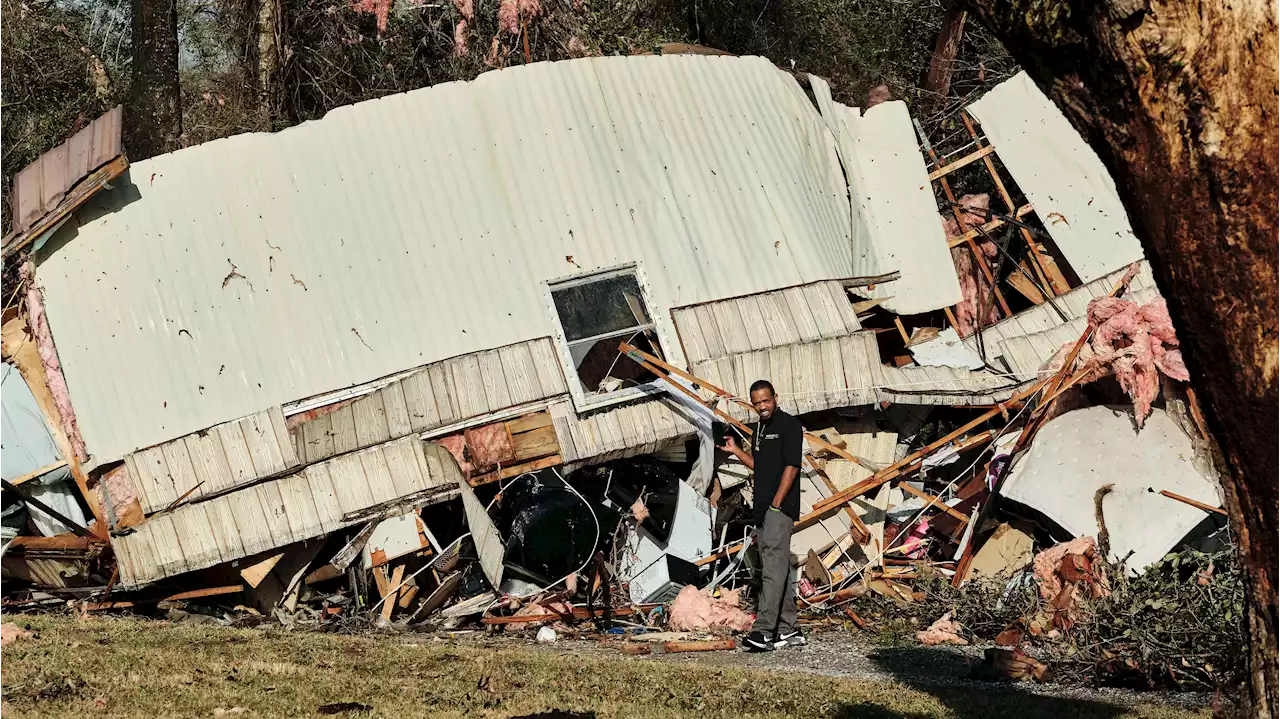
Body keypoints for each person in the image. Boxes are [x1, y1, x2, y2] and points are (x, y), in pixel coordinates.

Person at [718, 379, 805, 652]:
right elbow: (761, 465)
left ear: (775, 398)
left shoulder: (789, 426)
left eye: (766, 401)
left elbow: (792, 465)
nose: (762, 407)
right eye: (757, 403)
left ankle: (765, 631)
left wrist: (777, 503)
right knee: (776, 567)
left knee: (771, 569)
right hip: (763, 510)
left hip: (778, 510)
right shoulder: (759, 429)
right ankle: (789, 630)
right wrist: (735, 451)